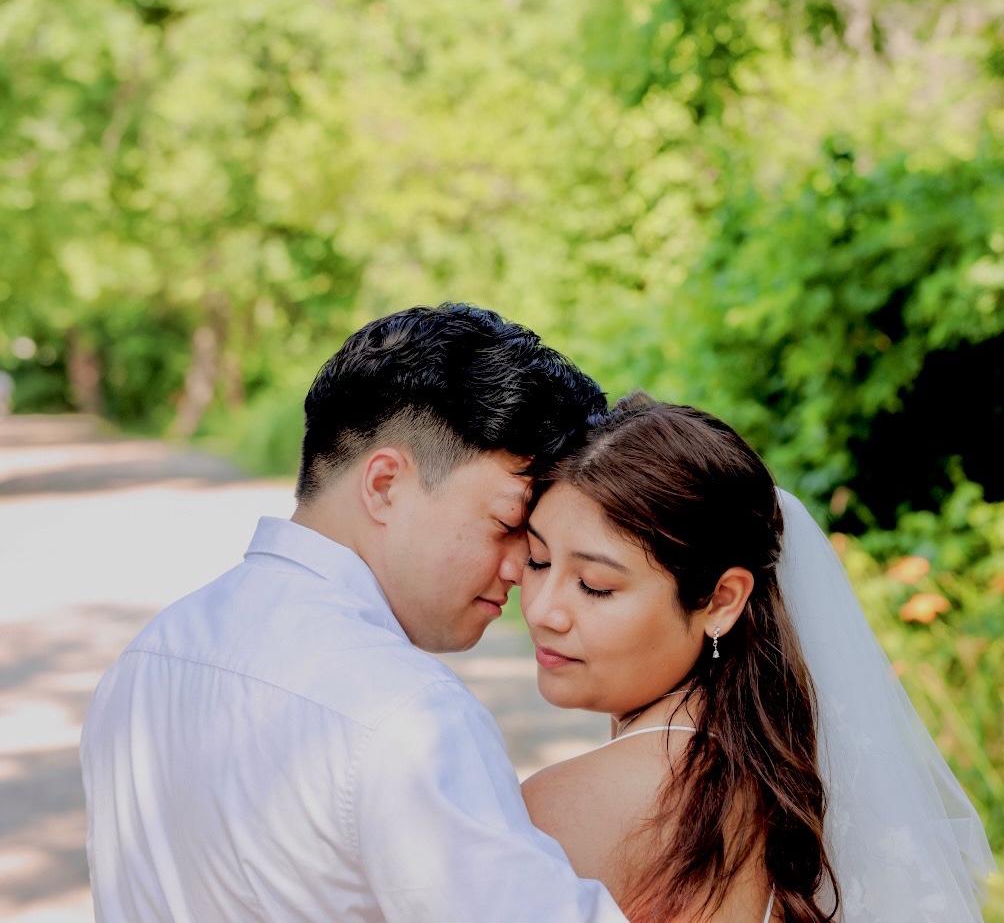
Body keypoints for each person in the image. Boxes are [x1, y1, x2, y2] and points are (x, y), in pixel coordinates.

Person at [81, 304, 628, 922]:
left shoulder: (146, 658)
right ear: (385, 484)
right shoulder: (407, 713)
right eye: (507, 525)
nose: (519, 569)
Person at [520, 393, 994, 923]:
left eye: (595, 585)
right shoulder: (773, 773)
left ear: (721, 601)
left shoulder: (566, 809)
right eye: (536, 561)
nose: (541, 610)